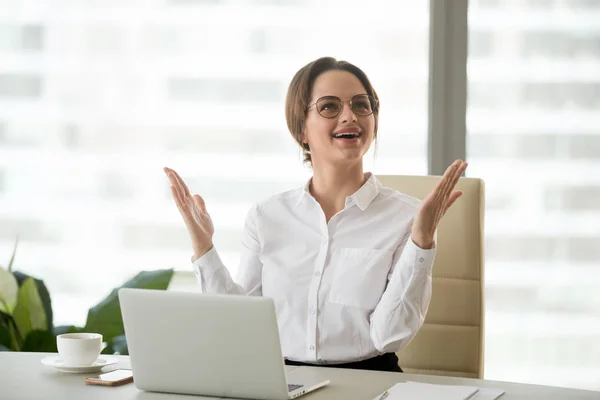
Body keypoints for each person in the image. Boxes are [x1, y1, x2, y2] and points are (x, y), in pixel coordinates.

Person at [164, 56, 468, 373]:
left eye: (361, 105)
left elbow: (388, 335)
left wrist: (421, 242)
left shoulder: (408, 217)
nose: (350, 116)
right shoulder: (266, 216)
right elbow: (241, 327)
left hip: (368, 381)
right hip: (279, 381)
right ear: (301, 129)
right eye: (329, 107)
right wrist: (204, 249)